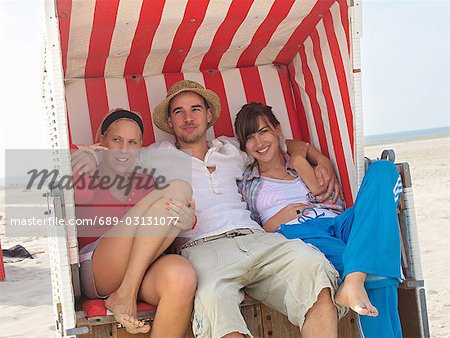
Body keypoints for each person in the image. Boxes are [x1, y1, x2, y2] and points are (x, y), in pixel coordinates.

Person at [234, 102, 404, 337]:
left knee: (383, 170)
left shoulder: (301, 166)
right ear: (243, 145)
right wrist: (279, 219)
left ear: (277, 130)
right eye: (250, 137)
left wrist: (311, 160)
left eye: (263, 131)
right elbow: (248, 233)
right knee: (375, 265)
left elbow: (332, 201)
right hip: (297, 234)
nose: (259, 143)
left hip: (337, 223)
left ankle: (353, 279)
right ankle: (358, 276)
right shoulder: (246, 181)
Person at [71, 109, 197, 336]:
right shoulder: (88, 173)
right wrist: (86, 152)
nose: (123, 149)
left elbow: (164, 224)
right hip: (97, 268)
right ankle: (125, 294)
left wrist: (190, 220)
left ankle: (127, 291)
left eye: (132, 142)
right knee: (178, 188)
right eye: (116, 140)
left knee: (182, 277)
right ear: (102, 140)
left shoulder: (145, 182)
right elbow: (54, 155)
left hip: (140, 270)